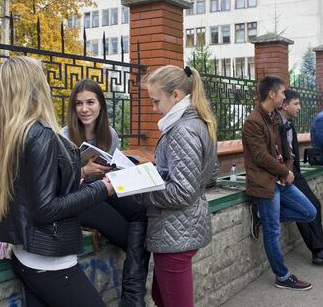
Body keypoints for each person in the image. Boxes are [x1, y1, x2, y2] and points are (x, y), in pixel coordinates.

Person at [0, 56, 114, 307]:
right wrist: (102, 189)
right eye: (43, 79)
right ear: (35, 88)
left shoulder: (12, 133)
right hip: (51, 264)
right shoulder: (40, 135)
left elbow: (36, 188)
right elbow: (46, 208)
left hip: (27, 257)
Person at [61, 79, 149, 307]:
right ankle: (133, 300)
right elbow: (57, 184)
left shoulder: (109, 134)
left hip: (105, 189)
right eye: (79, 104)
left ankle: (132, 300)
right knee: (136, 240)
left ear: (101, 105)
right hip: (79, 199)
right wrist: (83, 170)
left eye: (90, 102)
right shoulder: (63, 136)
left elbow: (113, 170)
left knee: (142, 212)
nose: (84, 109)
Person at [139, 65, 217, 307]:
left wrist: (141, 191)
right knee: (162, 298)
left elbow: (183, 191)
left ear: (175, 95)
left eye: (155, 101)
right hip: (179, 229)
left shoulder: (182, 130)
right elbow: (209, 174)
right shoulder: (194, 123)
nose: (153, 109)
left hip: (175, 233)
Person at [242, 75, 317, 290]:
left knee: (309, 212)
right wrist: (284, 171)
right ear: (271, 94)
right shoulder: (253, 122)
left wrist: (288, 170)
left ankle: (261, 217)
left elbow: (285, 148)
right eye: (283, 93)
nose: (285, 96)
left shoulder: (274, 116)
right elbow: (260, 156)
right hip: (265, 183)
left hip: (282, 179)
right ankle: (282, 276)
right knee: (273, 231)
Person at [279, 89, 323, 268]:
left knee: (310, 207)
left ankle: (319, 252)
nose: (299, 108)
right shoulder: (276, 124)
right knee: (310, 207)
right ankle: (319, 251)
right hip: (284, 174)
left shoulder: (289, 124)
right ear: (285, 105)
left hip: (294, 172)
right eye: (296, 104)